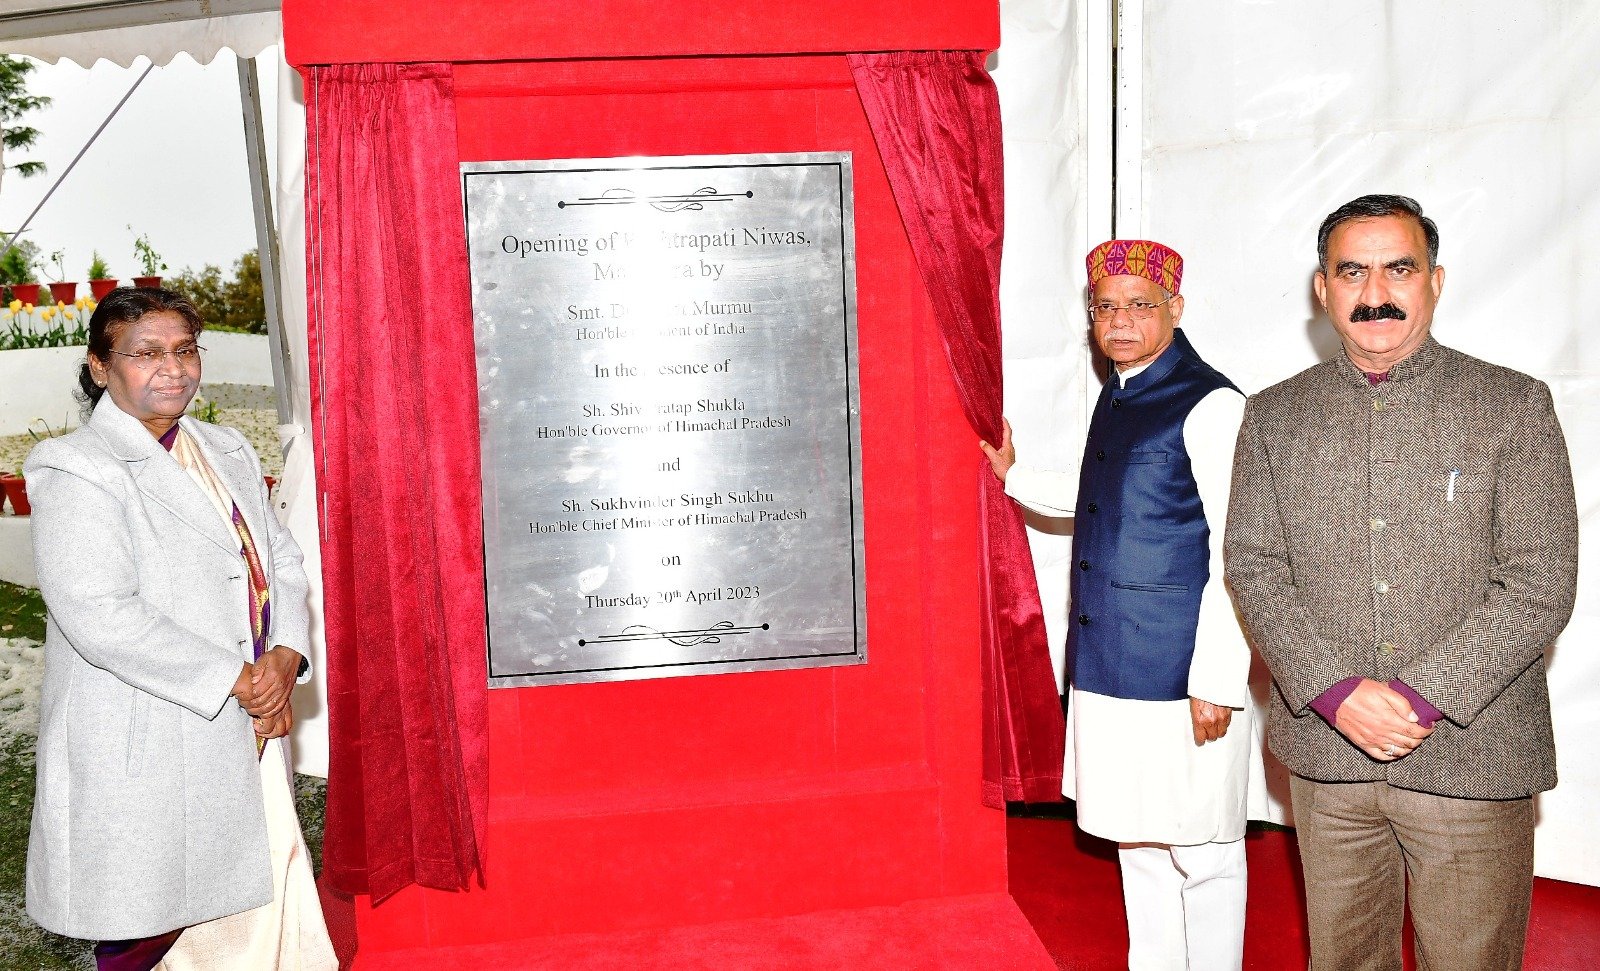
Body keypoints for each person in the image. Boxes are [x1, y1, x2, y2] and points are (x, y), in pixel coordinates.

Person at [1224, 194, 1578, 971]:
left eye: (1399, 269)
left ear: (1435, 281)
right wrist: (1334, 692)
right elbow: (1253, 565)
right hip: (1328, 761)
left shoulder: (1512, 406)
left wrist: (1418, 698)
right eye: (1352, 272)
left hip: (1474, 756)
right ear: (1323, 289)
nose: (1375, 291)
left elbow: (1540, 579)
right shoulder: (1274, 416)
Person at [24, 287, 336, 970]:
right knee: (150, 917)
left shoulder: (223, 448)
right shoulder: (75, 465)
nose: (173, 368)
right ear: (101, 366)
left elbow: (281, 560)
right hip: (148, 728)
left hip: (247, 720)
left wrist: (286, 653)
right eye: (146, 353)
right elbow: (100, 611)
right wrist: (240, 680)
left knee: (253, 890)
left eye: (185, 349)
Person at [981, 240, 1253, 970]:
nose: (1121, 321)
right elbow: (1103, 494)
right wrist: (1014, 477)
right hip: (1108, 665)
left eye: (1140, 305)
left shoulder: (1213, 403)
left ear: (1176, 308)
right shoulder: (1121, 391)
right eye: (1106, 307)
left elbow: (1240, 552)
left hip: (1179, 675)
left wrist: (1217, 680)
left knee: (1205, 850)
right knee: (1138, 840)